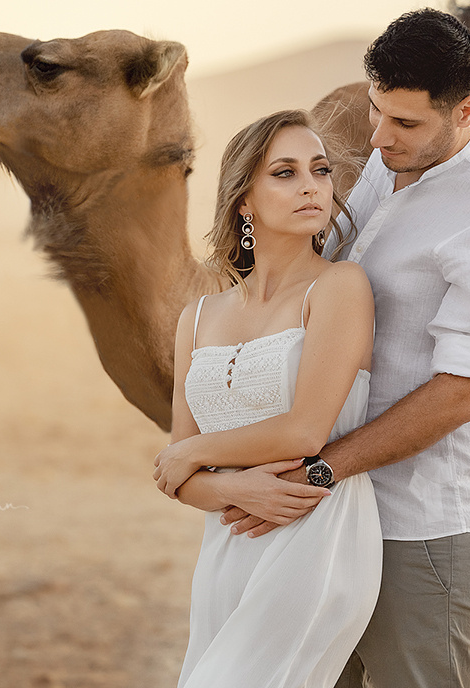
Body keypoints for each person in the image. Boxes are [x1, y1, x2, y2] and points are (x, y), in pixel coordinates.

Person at [217, 9, 470, 688]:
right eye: (376, 112)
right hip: (327, 523)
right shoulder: (380, 167)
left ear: (468, 111)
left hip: (418, 531)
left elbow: (460, 393)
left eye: (406, 124)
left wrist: (317, 473)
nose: (380, 137)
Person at [153, 109, 383, 688]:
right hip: (228, 545)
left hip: (316, 537)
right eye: (285, 172)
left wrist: (194, 456)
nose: (311, 186)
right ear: (243, 201)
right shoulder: (198, 317)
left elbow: (306, 432)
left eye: (321, 170)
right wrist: (230, 485)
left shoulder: (339, 288)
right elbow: (181, 468)